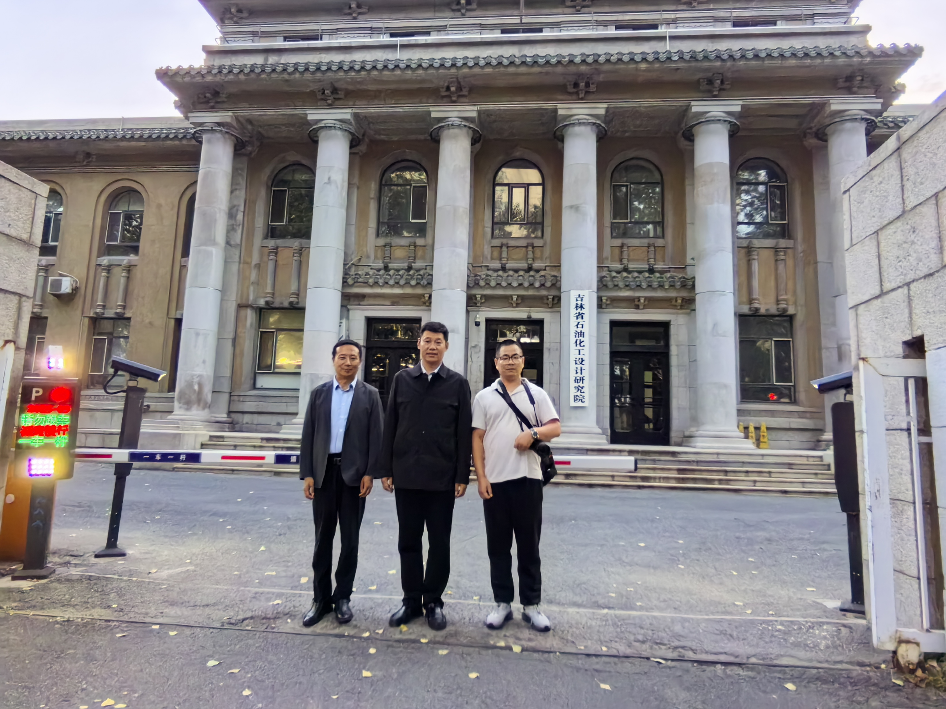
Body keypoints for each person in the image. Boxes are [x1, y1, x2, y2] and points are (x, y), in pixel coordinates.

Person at [380, 322, 472, 631]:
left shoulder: (457, 383)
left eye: (438, 342)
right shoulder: (402, 379)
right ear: (418, 344)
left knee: (439, 543)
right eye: (428, 341)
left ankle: (433, 601)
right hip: (406, 475)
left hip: (442, 478)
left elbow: (463, 432)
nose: (433, 346)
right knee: (408, 542)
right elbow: (390, 424)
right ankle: (410, 601)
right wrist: (386, 468)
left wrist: (462, 475)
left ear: (446, 346)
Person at [472, 338, 561, 632]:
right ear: (495, 362)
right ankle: (502, 604)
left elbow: (555, 427)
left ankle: (532, 606)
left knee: (529, 547)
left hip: (528, 480)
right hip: (495, 482)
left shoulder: (536, 394)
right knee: (497, 547)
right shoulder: (484, 397)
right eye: (505, 357)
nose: (510, 362)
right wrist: (481, 477)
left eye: (515, 356)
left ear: (523, 361)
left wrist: (533, 433)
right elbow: (477, 438)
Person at [299, 339, 383, 627]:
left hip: (354, 477)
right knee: (322, 539)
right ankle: (320, 599)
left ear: (360, 361)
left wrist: (370, 473)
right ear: (333, 359)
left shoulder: (370, 395)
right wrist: (308, 473)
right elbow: (309, 435)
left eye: (353, 358)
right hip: (323, 474)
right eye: (342, 357)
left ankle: (343, 597)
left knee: (350, 540)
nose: (348, 362)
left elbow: (376, 436)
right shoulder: (319, 394)